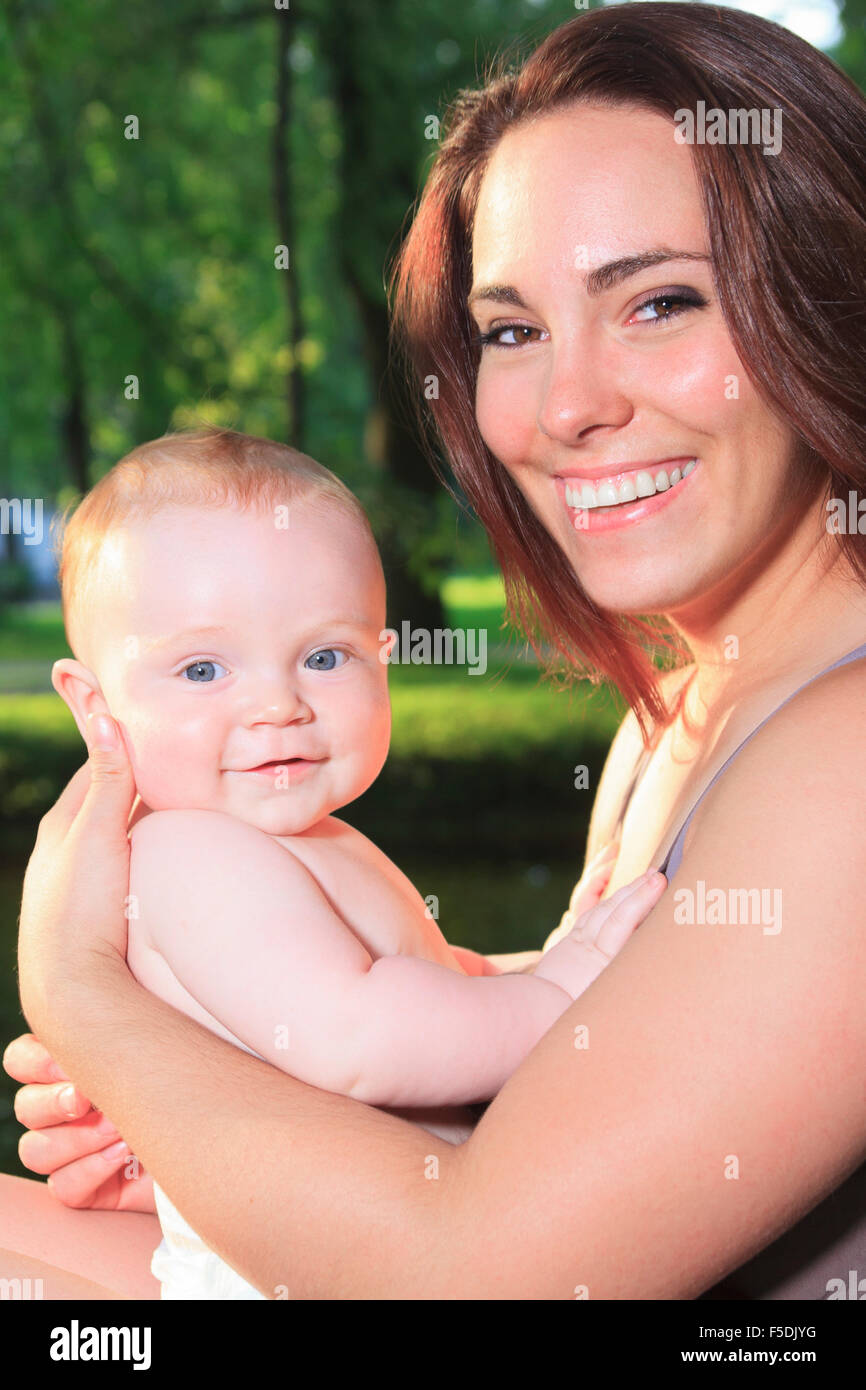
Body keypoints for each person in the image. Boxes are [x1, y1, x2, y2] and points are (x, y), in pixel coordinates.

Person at [4, 2, 866, 1299]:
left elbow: (474, 1278)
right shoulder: (668, 722)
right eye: (512, 331)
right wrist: (220, 1102)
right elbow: (597, 1039)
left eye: (660, 301)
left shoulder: (843, 757)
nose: (569, 405)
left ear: (822, 291)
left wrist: (87, 998)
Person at [43, 425, 663, 1298]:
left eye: (325, 656)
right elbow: (356, 1040)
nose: (277, 705)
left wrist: (538, 961)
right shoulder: (188, 855)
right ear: (93, 704)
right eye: (202, 670)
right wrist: (558, 991)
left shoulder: (309, 842)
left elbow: (421, 985)